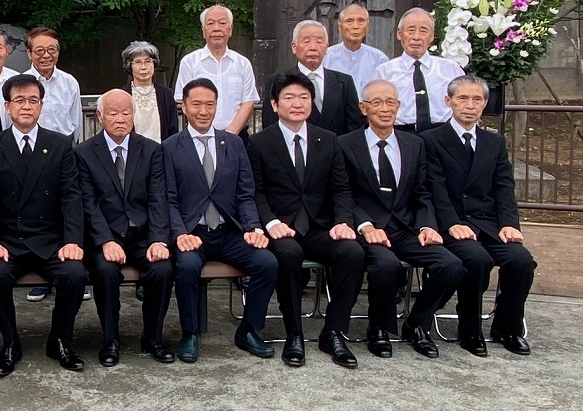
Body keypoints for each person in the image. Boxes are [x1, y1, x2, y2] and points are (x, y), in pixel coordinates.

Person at [338, 80, 465, 360]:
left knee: (452, 265)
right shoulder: (346, 145)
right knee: (387, 266)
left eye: (391, 102)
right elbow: (343, 194)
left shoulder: (413, 144)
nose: (385, 109)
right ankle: (379, 329)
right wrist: (365, 225)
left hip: (406, 227)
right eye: (377, 103)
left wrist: (428, 225)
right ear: (363, 108)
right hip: (368, 228)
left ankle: (417, 323)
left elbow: (422, 192)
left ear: (398, 106)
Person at [247, 72, 365, 369]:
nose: (297, 103)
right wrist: (271, 223)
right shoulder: (260, 143)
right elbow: (255, 192)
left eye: (304, 97)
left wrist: (343, 222)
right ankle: (294, 333)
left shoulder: (329, 140)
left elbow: (341, 188)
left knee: (352, 252)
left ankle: (333, 331)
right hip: (281, 226)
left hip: (318, 226)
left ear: (312, 102)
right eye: (288, 97)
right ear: (274, 104)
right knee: (288, 254)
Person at [0, 74, 87, 376]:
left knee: (75, 274)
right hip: (9, 240)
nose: (27, 106)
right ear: (7, 106)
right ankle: (10, 342)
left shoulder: (60, 144)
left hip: (50, 238)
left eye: (33, 100)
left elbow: (71, 196)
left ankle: (60, 339)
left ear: (41, 106)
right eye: (20, 100)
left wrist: (72, 240)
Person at [162, 77, 278, 364]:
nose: (203, 111)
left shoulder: (234, 144)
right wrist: (179, 234)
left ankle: (249, 329)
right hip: (192, 232)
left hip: (228, 231)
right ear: (184, 107)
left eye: (210, 104)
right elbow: (168, 199)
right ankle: (189, 332)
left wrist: (253, 228)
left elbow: (245, 194)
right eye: (196, 104)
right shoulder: (170, 147)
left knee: (267, 262)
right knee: (187, 266)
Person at [423, 75, 536, 356]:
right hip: (451, 223)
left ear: (485, 103)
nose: (470, 105)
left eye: (477, 99)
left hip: (488, 223)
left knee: (521, 261)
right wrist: (451, 224)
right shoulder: (431, 139)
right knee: (477, 260)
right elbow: (433, 188)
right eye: (462, 98)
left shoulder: (493, 143)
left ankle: (507, 327)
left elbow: (503, 186)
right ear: (448, 102)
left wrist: (509, 223)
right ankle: (470, 329)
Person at [76, 90, 174, 365]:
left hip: (142, 236)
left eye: (126, 113)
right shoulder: (83, 153)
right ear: (99, 116)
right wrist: (105, 240)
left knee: (162, 268)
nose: (120, 119)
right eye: (113, 113)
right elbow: (88, 204)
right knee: (105, 272)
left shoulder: (152, 150)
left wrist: (159, 240)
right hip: (105, 237)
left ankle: (153, 337)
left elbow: (158, 198)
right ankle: (110, 339)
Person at [22, 26, 82, 303]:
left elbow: (76, 123)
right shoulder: (21, 83)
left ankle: (68, 274)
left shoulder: (70, 82)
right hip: (29, 155)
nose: (46, 55)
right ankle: (42, 279)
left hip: (62, 153)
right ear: (29, 52)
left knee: (63, 210)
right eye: (40, 50)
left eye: (52, 50)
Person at [260, 19, 365, 135]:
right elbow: (270, 126)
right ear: (294, 47)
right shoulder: (277, 80)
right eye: (306, 41)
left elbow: (354, 126)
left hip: (335, 150)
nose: (313, 47)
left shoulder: (344, 81)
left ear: (326, 47)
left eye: (319, 42)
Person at [372, 8, 465, 132]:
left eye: (423, 31)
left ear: (432, 36)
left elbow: (464, 103)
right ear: (399, 34)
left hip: (443, 134)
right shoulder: (384, 72)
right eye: (410, 30)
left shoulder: (450, 68)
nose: (416, 37)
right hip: (401, 134)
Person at [173, 4, 259, 136]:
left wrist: (230, 134)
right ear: (203, 30)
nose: (217, 28)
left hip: (237, 136)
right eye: (211, 23)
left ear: (230, 30)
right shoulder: (189, 62)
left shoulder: (243, 63)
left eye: (222, 23)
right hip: (198, 135)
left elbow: (248, 102)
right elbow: (183, 101)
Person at [120, 40, 179, 142]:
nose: (143, 67)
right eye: (138, 62)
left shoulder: (166, 94)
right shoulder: (122, 95)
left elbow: (173, 129)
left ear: (154, 64)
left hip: (161, 152)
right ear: (130, 66)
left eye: (148, 61)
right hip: (132, 153)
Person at [324, 3, 389, 93]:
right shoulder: (326, 57)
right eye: (349, 21)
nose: (355, 26)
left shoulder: (379, 59)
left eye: (361, 21)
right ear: (340, 26)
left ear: (367, 25)